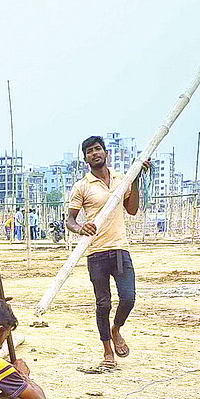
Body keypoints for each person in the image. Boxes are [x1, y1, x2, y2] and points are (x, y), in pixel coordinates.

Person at [66, 135, 149, 369]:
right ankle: (107, 352)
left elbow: (132, 210)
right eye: (89, 151)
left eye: (98, 149)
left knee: (128, 298)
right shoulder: (82, 186)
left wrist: (136, 179)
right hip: (96, 253)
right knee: (103, 304)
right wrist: (80, 228)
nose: (95, 153)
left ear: (106, 152)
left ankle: (116, 329)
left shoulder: (122, 180)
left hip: (120, 248)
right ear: (85, 159)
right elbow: (69, 220)